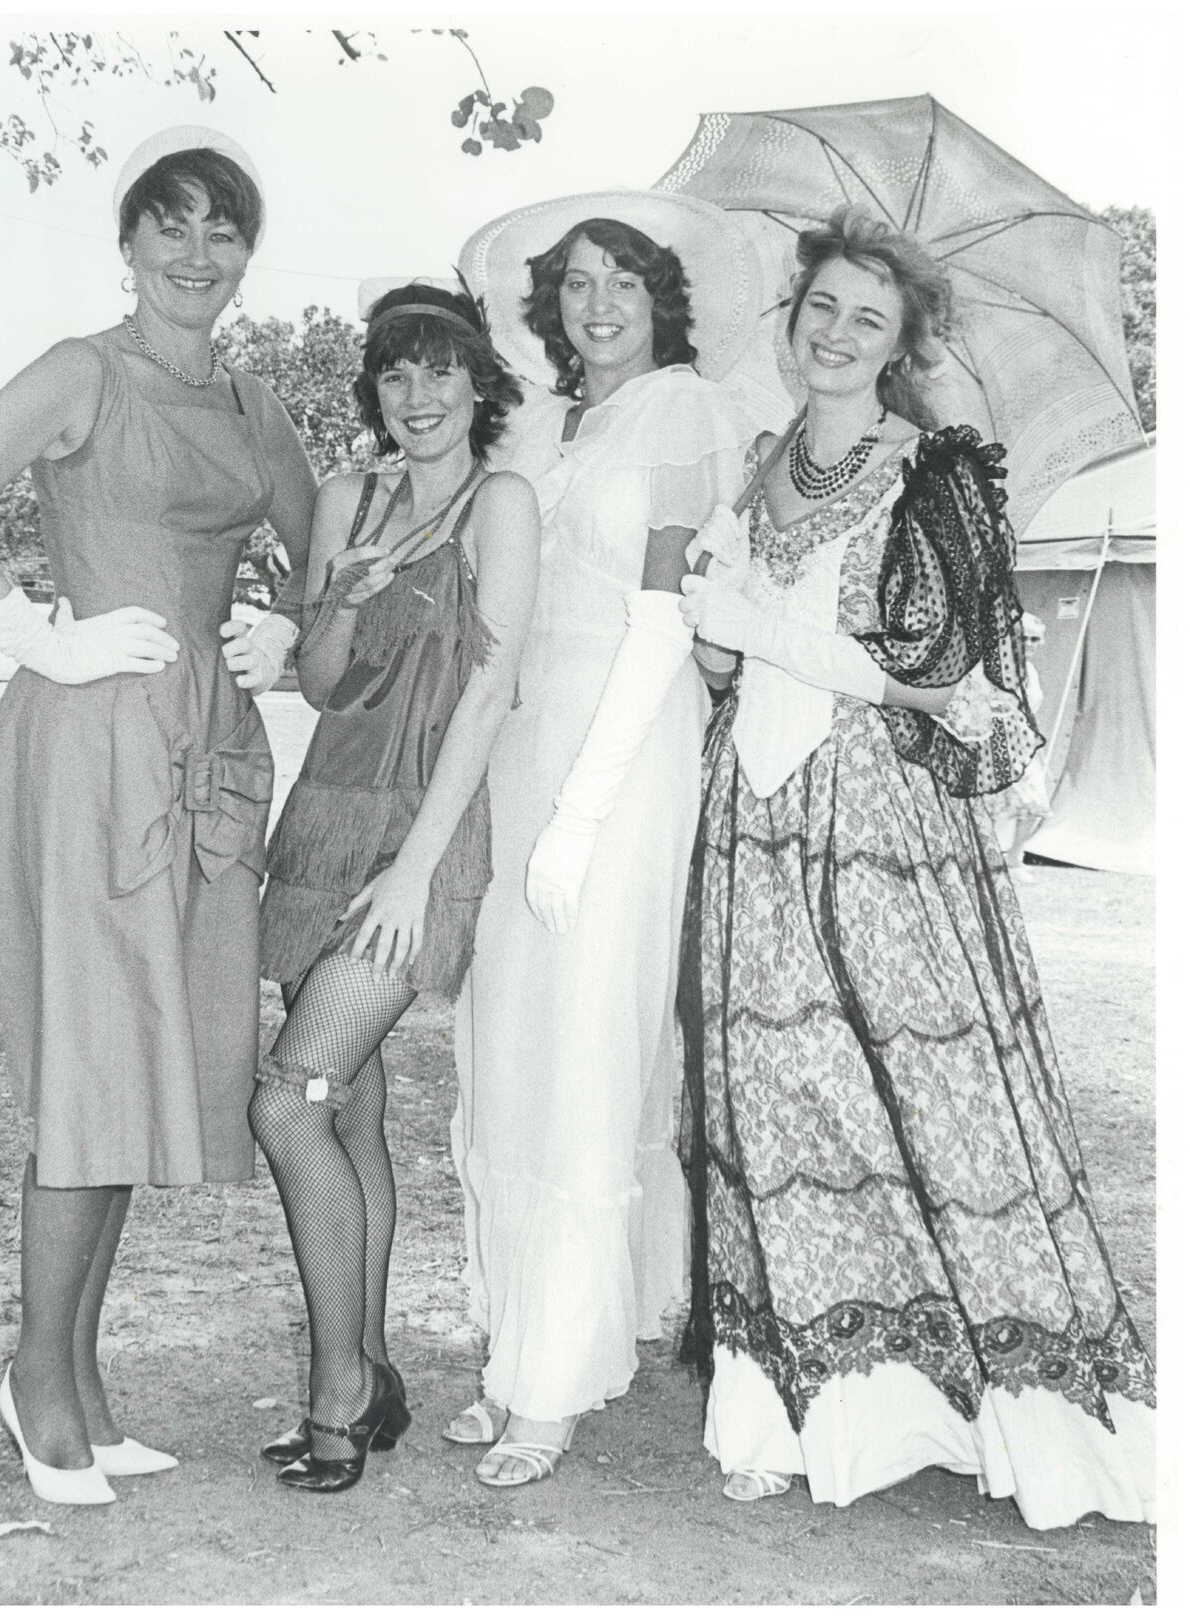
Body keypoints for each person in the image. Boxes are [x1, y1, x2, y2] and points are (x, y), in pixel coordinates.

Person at [675, 205, 1154, 1529]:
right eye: (818, 307)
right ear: (791, 316)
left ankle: (1008, 1402)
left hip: (878, 821)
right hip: (754, 819)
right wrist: (713, 636)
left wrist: (759, 625)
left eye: (863, 319)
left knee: (932, 1099)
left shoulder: (930, 467)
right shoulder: (763, 459)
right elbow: (726, 663)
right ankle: (804, 1400)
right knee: (775, 1099)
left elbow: (941, 676)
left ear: (901, 344)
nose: (832, 333)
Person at [0, 126, 317, 1507]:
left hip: (202, 749)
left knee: (141, 1065)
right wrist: (33, 631)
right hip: (90, 736)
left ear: (245, 254)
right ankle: (37, 1378)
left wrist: (287, 627)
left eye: (223, 230)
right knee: (90, 1062)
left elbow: (326, 563)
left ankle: (75, 1380)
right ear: (129, 244)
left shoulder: (259, 406)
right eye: (171, 226)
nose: (196, 254)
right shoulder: (84, 369)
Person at [450, 193, 759, 1487]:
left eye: (619, 280)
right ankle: (533, 1328)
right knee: (510, 1037)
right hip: (527, 733)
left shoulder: (684, 409)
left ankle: (552, 1382)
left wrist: (582, 810)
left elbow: (658, 617)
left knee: (585, 1034)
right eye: (574, 283)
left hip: (624, 748)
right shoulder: (540, 418)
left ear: (660, 297)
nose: (594, 304)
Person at [227, 280, 539, 1495]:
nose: (417, 396)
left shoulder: (497, 501)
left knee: (289, 1102)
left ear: (478, 383)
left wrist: (418, 868)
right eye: (395, 375)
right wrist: (341, 603)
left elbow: (491, 687)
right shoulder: (349, 497)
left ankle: (340, 1389)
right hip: (326, 811)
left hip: (427, 830)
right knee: (346, 1105)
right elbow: (316, 681)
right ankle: (377, 1370)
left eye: (439, 371)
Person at [994, 612, 1052, 878]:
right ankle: (982, 858)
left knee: (1034, 801)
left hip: (1023, 744)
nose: (1029, 643)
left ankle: (1015, 858)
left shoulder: (1031, 670)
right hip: (994, 741)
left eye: (1035, 639)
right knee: (989, 803)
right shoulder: (997, 666)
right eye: (1023, 637)